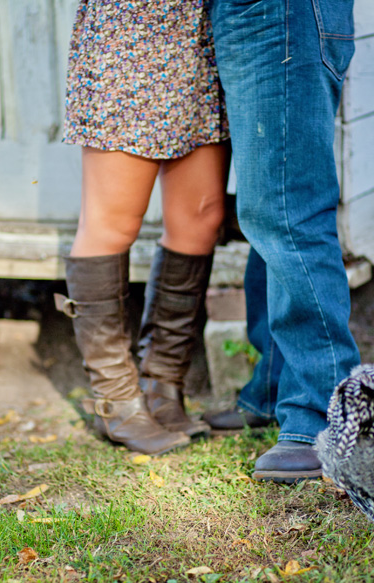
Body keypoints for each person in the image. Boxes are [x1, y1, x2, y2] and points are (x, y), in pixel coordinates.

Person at [54, 1, 230, 456]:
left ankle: (162, 384)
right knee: (113, 222)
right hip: (133, 30)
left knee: (201, 218)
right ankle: (116, 402)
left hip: (203, 34)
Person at [202, 0, 362, 482]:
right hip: (261, 15)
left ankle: (323, 414)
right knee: (268, 205)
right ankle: (274, 385)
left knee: (289, 209)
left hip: (280, 13)